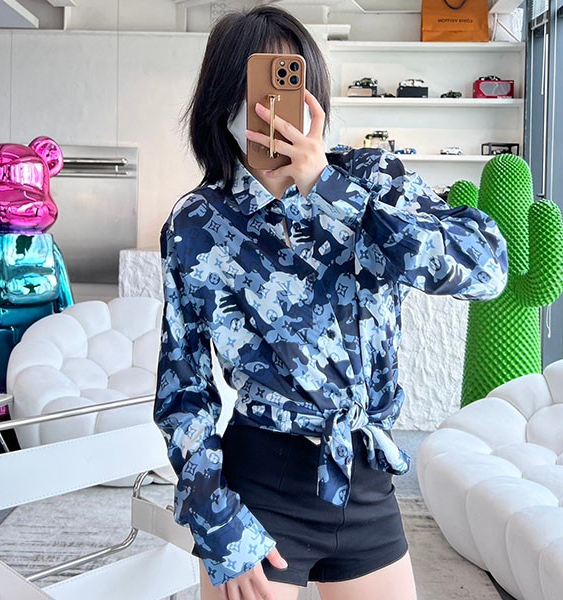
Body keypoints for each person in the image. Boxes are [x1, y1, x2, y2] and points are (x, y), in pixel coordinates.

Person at [154, 5, 509, 600]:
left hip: (366, 477)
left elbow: (486, 269)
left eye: (289, 81)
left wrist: (329, 190)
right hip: (258, 486)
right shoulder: (197, 223)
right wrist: (215, 518)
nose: (272, 106)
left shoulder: (372, 180)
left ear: (313, 93)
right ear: (223, 101)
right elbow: (182, 388)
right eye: (258, 85)